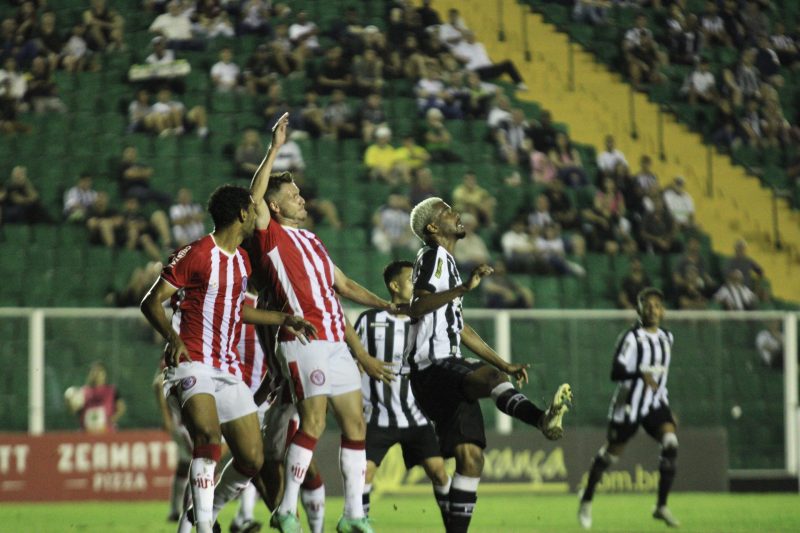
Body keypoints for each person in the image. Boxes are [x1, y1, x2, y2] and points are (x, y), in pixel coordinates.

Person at [139, 180, 317, 533]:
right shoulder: (197, 253)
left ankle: (198, 513)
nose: (257, 214)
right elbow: (150, 301)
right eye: (253, 208)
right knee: (208, 438)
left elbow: (237, 310)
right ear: (242, 213)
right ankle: (204, 526)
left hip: (227, 369)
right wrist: (172, 337)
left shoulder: (243, 261)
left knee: (252, 457)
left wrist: (283, 318)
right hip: (192, 363)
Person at [247, 113, 395, 533]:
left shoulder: (312, 240)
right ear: (276, 206)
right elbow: (253, 200)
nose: (302, 200)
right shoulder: (270, 234)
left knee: (356, 424)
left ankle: (352, 515)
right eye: (294, 195)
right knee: (313, 422)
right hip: (301, 338)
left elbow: (343, 284)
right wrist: (274, 147)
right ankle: (286, 510)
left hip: (334, 341)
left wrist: (386, 304)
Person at [405, 196, 572, 533]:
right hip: (432, 366)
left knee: (471, 459)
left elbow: (459, 327)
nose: (457, 214)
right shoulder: (434, 256)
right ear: (433, 227)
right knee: (488, 379)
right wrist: (465, 288)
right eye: (447, 212)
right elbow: (418, 306)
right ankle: (541, 419)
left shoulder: (448, 264)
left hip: (444, 370)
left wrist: (504, 362)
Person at [355, 260, 451, 528]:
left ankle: (455, 527)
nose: (417, 284)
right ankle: (361, 524)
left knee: (439, 473)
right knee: (363, 475)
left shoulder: (426, 321)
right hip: (378, 416)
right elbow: (351, 359)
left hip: (417, 417)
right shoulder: (370, 321)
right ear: (394, 286)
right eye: (412, 279)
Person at [578, 287, 680, 529]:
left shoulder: (668, 337)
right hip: (629, 404)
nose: (653, 310)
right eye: (648, 305)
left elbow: (660, 375)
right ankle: (587, 497)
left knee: (671, 443)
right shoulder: (631, 338)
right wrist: (639, 374)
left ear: (662, 311)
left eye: (657, 306)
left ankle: (661, 506)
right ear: (639, 309)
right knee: (611, 455)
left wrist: (662, 399)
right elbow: (615, 372)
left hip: (655, 403)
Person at [64, 361, 126, 433]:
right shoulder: (82, 392)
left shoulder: (112, 391)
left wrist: (110, 420)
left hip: (107, 432)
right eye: (94, 371)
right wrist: (70, 404)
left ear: (105, 374)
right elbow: (75, 410)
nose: (97, 374)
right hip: (86, 433)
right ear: (90, 374)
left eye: (100, 371)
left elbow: (121, 408)